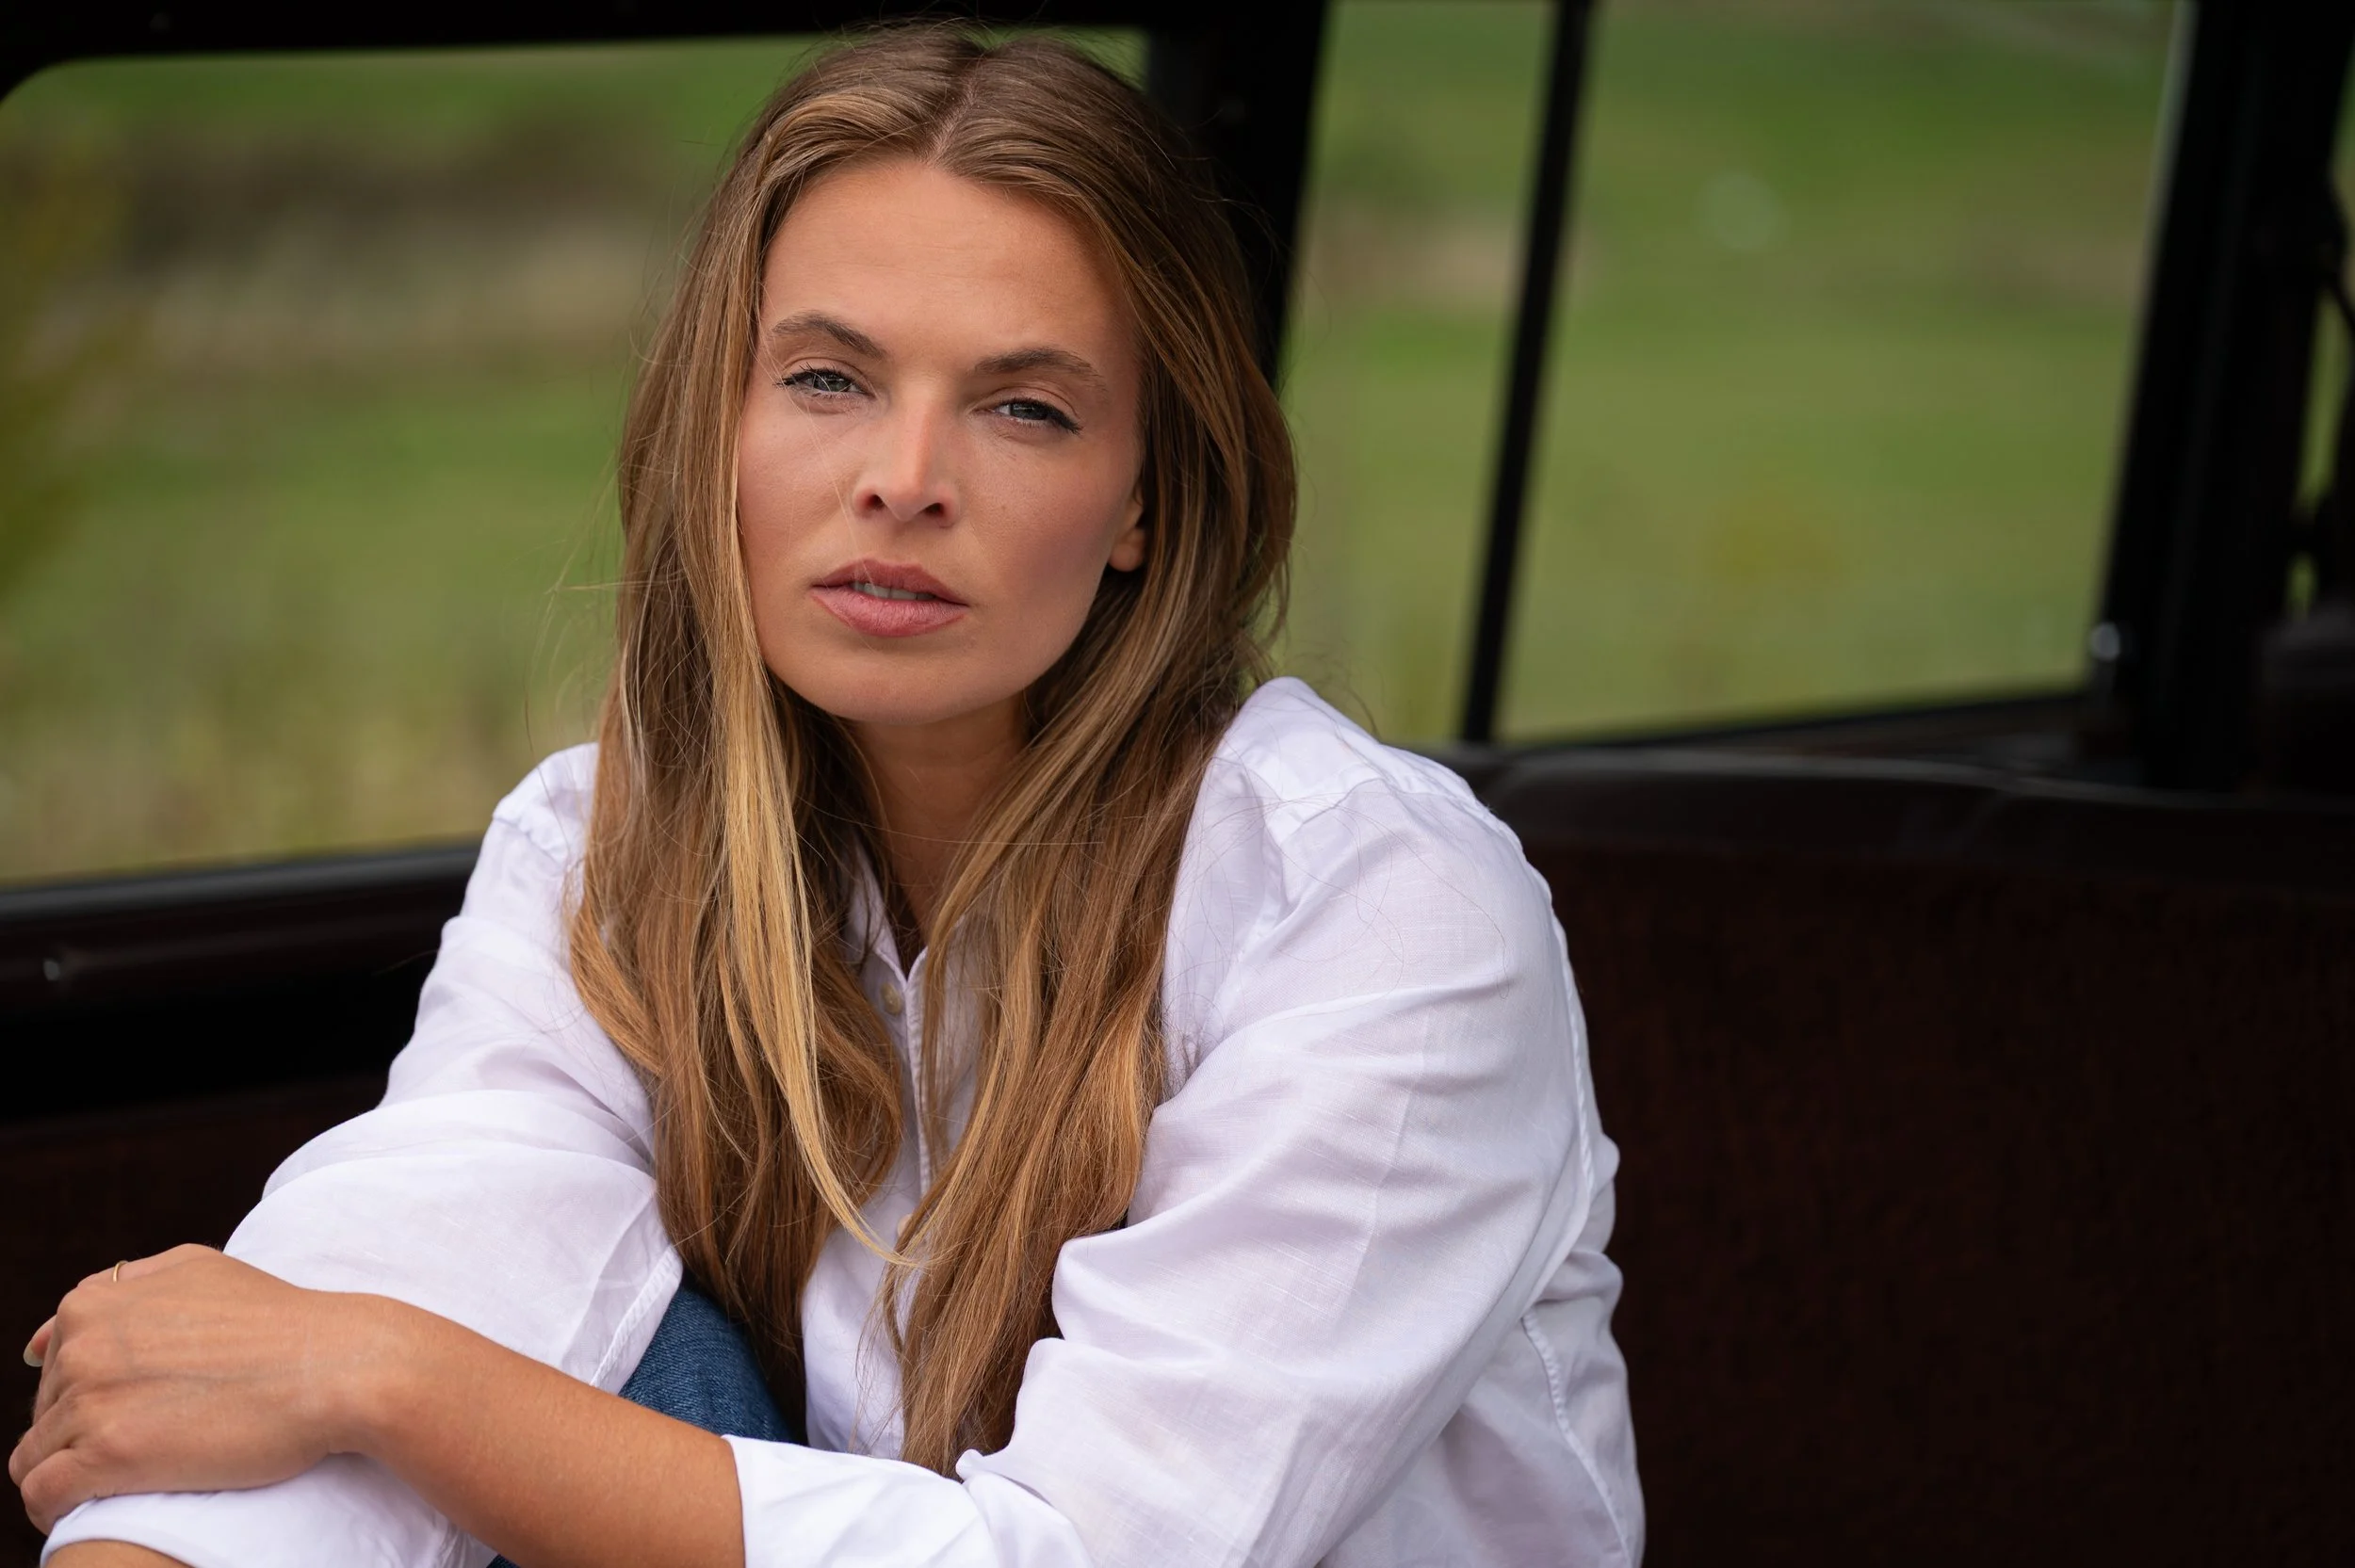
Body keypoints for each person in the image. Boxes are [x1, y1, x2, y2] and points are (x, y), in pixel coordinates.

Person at [12, 27, 1639, 1568]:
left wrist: (389, 1379)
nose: (904, 477)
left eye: (1024, 407)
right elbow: (416, 1248)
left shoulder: (1376, 915)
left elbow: (1083, 1556)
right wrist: (313, 1384)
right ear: (719, 416)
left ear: (1144, 494)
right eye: (827, 380)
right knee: (391, 1300)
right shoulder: (600, 852)